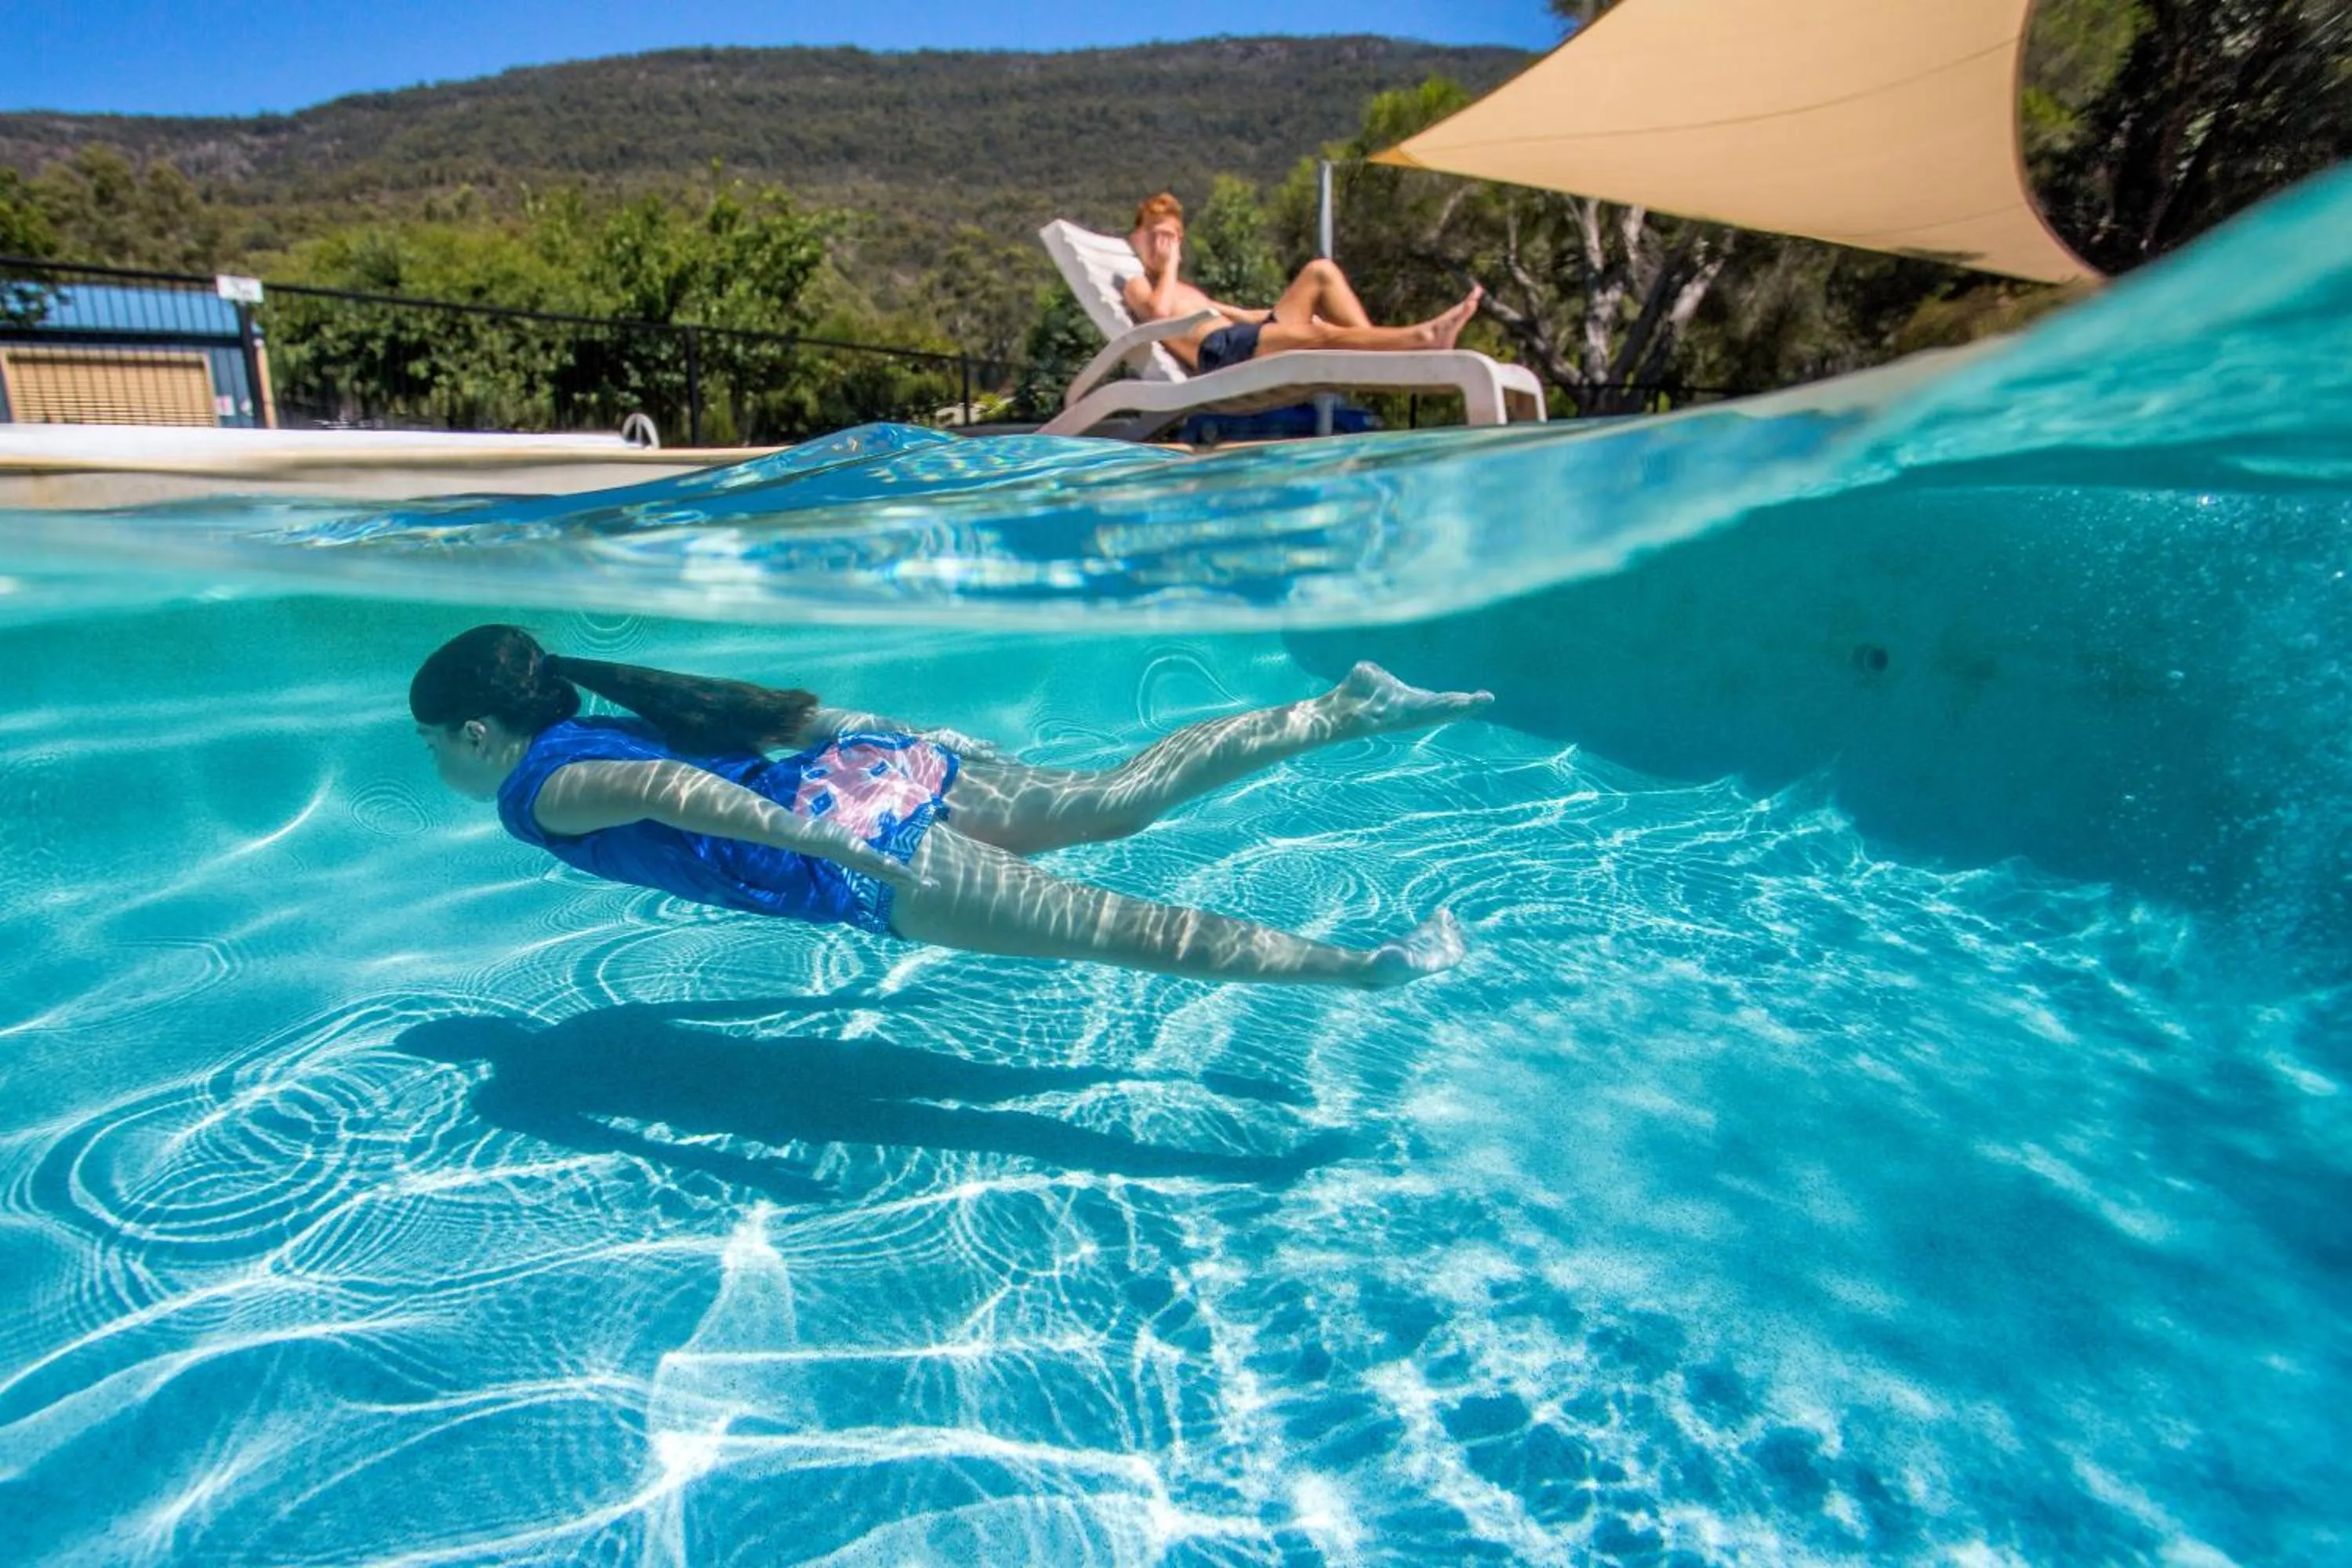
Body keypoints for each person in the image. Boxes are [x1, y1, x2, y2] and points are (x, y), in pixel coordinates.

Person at [410, 625, 1490, 989]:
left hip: (852, 851)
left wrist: (816, 840)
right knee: (1118, 801)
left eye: (430, 746)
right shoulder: (607, 711)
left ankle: (1366, 970)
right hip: (890, 771)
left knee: (1124, 937)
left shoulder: (537, 787)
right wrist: (915, 737)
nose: (434, 765)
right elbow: (766, 724)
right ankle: (1345, 710)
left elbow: (678, 795)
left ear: (473, 731)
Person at [1123, 190, 1483, 375]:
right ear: (1137, 238)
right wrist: (1170, 265)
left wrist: (1253, 314)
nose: (1162, 245)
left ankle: (1378, 355)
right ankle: (1421, 339)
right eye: (1154, 236)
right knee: (1318, 337)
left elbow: (1234, 319)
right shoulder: (1138, 285)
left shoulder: (1187, 290)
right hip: (1220, 352)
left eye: (1170, 237)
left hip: (1244, 338)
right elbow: (1157, 316)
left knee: (1320, 271)